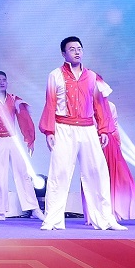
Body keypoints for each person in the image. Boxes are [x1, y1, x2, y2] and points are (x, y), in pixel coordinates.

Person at [37, 36, 119, 231]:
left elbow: (100, 104)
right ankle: (52, 219)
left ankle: (105, 219)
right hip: (63, 127)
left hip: (88, 128)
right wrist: (49, 131)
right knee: (59, 172)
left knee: (98, 172)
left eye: (79, 48)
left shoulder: (92, 76)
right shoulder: (55, 75)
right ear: (63, 53)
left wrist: (103, 129)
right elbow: (50, 103)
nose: (77, 52)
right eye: (72, 49)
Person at [0, 71, 43, 222]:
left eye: (4, 80)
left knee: (23, 174)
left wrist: (30, 139)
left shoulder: (14, 99)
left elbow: (24, 118)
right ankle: (0, 212)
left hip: (13, 140)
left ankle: (34, 208)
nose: (2, 82)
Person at [98, 100, 135, 224]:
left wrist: (117, 145)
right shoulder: (86, 105)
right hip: (92, 143)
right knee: (95, 179)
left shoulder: (110, 105)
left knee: (122, 178)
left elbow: (115, 126)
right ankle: (97, 214)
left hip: (109, 144)